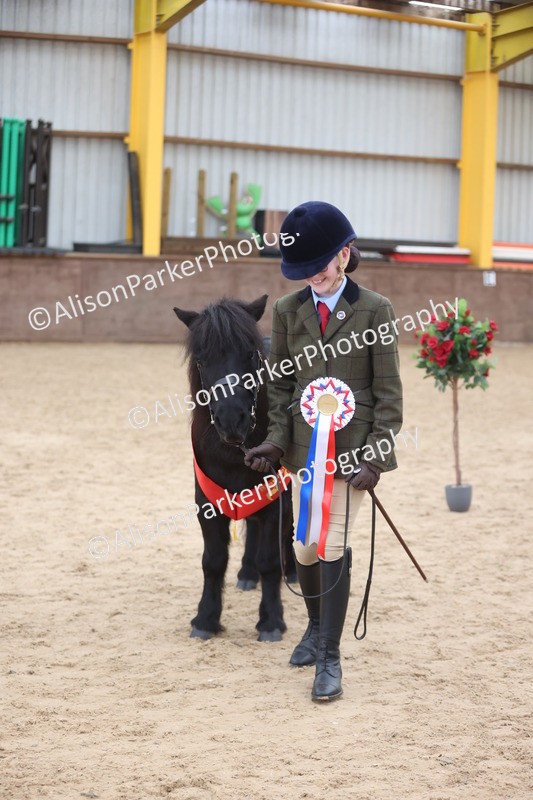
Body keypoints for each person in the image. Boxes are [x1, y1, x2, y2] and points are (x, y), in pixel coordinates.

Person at [244, 201, 403, 702]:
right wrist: (273, 439)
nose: (311, 276)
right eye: (302, 269)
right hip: (303, 453)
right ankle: (315, 629)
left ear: (344, 255)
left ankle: (330, 658)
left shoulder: (376, 310)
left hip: (353, 456)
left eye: (319, 265)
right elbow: (282, 384)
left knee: (332, 544)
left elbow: (389, 395)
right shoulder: (289, 312)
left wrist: (376, 456)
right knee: (303, 548)